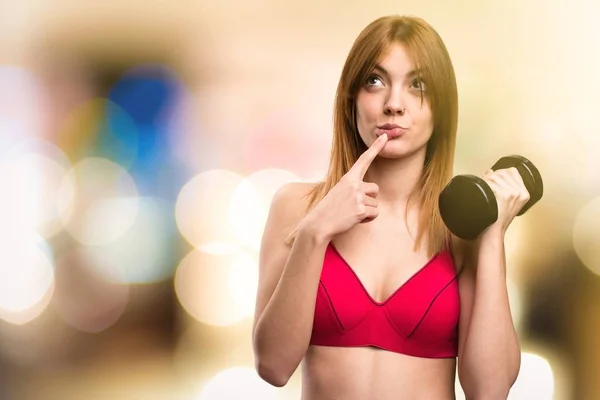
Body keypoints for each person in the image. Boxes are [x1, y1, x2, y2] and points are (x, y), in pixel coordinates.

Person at [252, 14, 525, 399]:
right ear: (351, 98)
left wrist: (492, 235)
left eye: (418, 85)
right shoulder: (295, 207)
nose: (394, 104)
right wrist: (315, 233)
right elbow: (272, 366)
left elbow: (490, 390)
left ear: (442, 110)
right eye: (375, 81)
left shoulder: (461, 230)